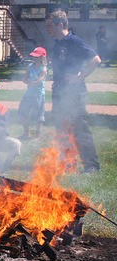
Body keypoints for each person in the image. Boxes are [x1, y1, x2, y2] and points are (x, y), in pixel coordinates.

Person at [46, 10, 101, 173]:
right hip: (60, 93)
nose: (47, 29)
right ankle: (68, 162)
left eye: (50, 26)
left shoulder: (74, 41)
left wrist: (80, 76)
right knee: (61, 128)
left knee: (79, 128)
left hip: (74, 93)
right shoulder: (57, 44)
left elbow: (96, 60)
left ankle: (92, 166)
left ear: (60, 25)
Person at [18, 47, 48, 140]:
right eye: (34, 56)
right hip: (29, 94)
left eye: (37, 57)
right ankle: (26, 133)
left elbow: (38, 81)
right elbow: (24, 79)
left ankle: (37, 135)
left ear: (42, 58)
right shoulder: (30, 66)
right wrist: (29, 81)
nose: (34, 58)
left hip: (38, 95)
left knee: (38, 116)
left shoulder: (43, 69)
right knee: (23, 112)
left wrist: (30, 82)